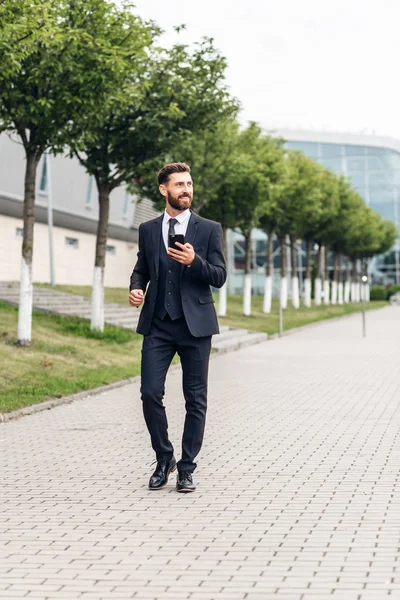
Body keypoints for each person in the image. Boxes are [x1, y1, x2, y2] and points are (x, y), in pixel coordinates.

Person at [129, 162, 226, 493]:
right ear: (164, 190)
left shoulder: (209, 229)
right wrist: (136, 286)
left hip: (195, 326)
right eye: (180, 184)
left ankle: (186, 467)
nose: (187, 189)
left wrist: (194, 262)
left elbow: (219, 276)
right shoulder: (148, 229)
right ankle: (163, 457)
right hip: (158, 324)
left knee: (195, 399)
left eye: (189, 184)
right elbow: (141, 268)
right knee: (150, 393)